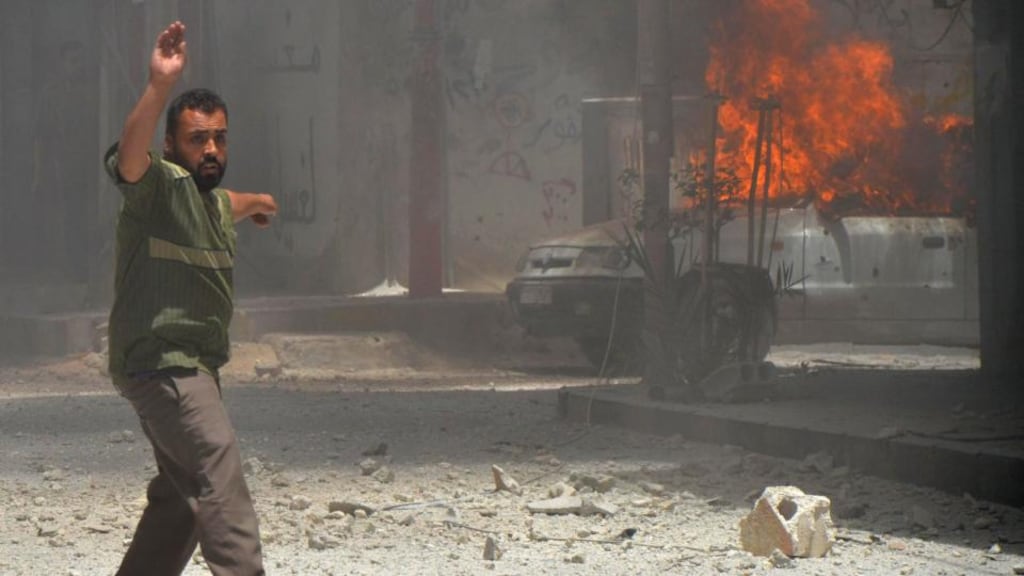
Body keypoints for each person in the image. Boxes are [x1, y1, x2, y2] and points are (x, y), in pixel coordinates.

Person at [103, 21, 276, 576]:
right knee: (220, 480)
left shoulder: (214, 204)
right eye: (197, 139)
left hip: (190, 369)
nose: (210, 149)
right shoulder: (157, 190)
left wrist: (261, 203)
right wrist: (158, 86)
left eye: (220, 138)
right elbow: (131, 158)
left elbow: (237, 200)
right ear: (172, 146)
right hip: (167, 369)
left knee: (180, 501)